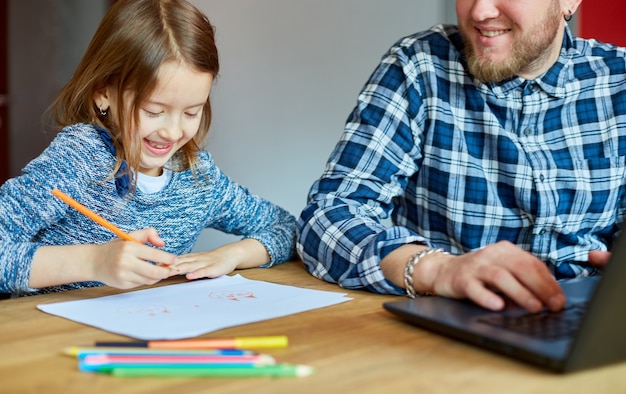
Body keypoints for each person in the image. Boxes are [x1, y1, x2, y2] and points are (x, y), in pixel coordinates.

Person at [297, 0, 624, 313]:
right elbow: (328, 215)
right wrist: (438, 270)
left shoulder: (619, 79)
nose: (480, 11)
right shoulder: (419, 65)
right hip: (452, 321)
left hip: (591, 321)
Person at [0, 0, 295, 297]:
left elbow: (286, 228)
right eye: (153, 111)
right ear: (104, 94)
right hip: (52, 337)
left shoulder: (198, 176)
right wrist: (93, 261)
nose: (172, 131)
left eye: (192, 112)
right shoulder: (77, 158)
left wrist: (230, 256)